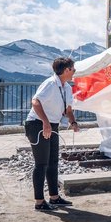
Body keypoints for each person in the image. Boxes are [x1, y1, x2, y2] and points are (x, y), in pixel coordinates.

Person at [25, 57, 80, 210]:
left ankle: (54, 197)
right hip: (37, 124)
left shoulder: (67, 87)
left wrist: (73, 122)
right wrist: (45, 122)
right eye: (73, 69)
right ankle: (39, 201)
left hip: (52, 125)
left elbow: (68, 109)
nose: (74, 72)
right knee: (41, 163)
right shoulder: (50, 84)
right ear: (66, 70)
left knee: (53, 162)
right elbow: (35, 102)